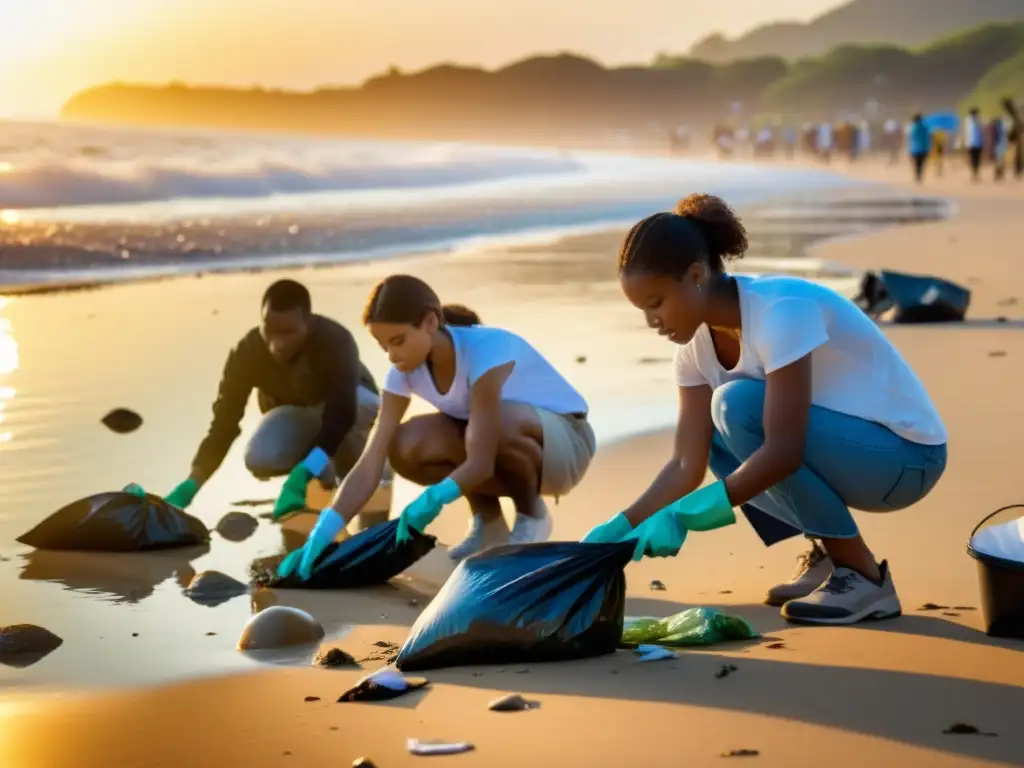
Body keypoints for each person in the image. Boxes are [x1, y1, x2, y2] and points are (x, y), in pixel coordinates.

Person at [582, 194, 948, 626]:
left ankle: (864, 576)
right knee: (714, 432)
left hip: (905, 459)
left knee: (737, 406)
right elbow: (685, 463)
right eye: (643, 310)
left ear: (696, 275)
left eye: (657, 303)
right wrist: (618, 529)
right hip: (850, 455)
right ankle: (828, 555)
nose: (652, 322)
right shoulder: (695, 351)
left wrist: (684, 517)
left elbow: (785, 451)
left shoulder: (780, 311)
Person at [277, 274, 596, 580]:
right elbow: (371, 460)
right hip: (501, 442)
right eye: (382, 345)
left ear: (430, 322)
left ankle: (532, 517)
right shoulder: (403, 373)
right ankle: (490, 525)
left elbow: (481, 462)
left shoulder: (487, 350)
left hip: (566, 444)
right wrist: (324, 529)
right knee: (404, 443)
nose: (391, 355)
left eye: (398, 341)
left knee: (492, 423)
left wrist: (432, 500)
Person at [164, 279, 382, 520]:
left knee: (356, 408)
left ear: (308, 324)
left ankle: (364, 468)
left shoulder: (334, 340)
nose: (277, 344)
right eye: (270, 330)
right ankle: (320, 468)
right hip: (296, 416)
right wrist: (190, 486)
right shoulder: (247, 352)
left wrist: (304, 471)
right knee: (259, 456)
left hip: (351, 412)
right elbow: (224, 422)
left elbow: (342, 414)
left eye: (288, 333)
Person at [907, 114, 931, 184]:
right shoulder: (925, 127)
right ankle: (919, 175)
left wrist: (909, 149)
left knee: (916, 163)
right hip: (924, 148)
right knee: (921, 163)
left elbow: (911, 139)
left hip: (914, 149)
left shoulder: (912, 127)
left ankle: (917, 175)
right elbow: (927, 138)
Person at [963, 107, 984, 182]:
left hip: (977, 143)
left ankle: (975, 173)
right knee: (973, 159)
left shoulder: (978, 120)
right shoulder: (968, 121)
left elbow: (980, 133)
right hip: (971, 143)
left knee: (977, 159)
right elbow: (967, 133)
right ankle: (974, 173)